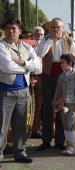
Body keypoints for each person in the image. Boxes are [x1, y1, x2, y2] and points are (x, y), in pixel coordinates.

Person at [0, 18, 40, 165]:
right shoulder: (1, 46)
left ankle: (20, 153)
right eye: (8, 28)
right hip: (5, 91)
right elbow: (7, 67)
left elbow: (38, 67)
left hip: (24, 91)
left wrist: (23, 63)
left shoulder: (27, 47)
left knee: (20, 125)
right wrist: (28, 67)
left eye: (14, 28)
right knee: (2, 126)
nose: (11, 30)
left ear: (20, 31)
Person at [37, 18, 75, 151]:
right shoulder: (45, 40)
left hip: (64, 78)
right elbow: (39, 53)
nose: (55, 30)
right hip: (48, 77)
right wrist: (50, 40)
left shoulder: (69, 41)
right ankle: (46, 140)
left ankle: (60, 141)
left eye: (58, 27)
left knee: (62, 108)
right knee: (48, 109)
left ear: (63, 28)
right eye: (53, 28)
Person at [52, 54, 75, 155]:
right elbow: (57, 91)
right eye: (61, 62)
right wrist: (54, 104)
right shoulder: (61, 76)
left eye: (63, 62)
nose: (60, 65)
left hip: (73, 104)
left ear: (70, 64)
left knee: (71, 124)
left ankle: (73, 146)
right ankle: (69, 145)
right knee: (65, 125)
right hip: (62, 104)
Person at [30, 26, 44, 139]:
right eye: (37, 34)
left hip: (41, 78)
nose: (39, 36)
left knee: (38, 106)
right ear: (33, 35)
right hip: (29, 77)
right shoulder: (27, 47)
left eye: (41, 34)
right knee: (27, 105)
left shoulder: (46, 47)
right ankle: (25, 129)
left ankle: (35, 130)